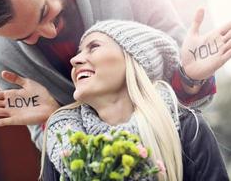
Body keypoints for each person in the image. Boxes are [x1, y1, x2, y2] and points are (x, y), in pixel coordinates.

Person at [0, 0, 231, 149]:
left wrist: (190, 77)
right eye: (27, 37)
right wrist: (53, 118)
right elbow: (54, 149)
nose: (48, 33)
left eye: (44, 13)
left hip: (180, 150)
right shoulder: (0, 55)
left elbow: (188, 93)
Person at [41, 20, 229, 180]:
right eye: (79, 52)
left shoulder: (186, 128)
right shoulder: (63, 142)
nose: (75, 60)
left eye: (94, 47)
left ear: (134, 60)